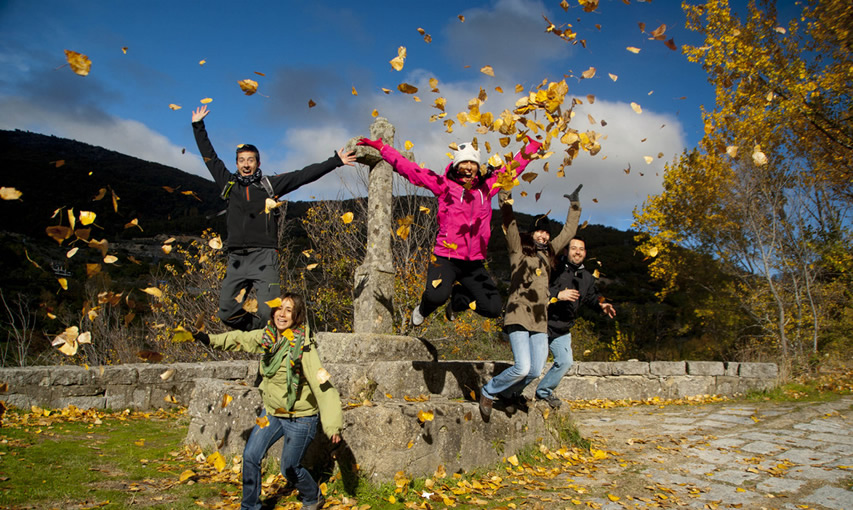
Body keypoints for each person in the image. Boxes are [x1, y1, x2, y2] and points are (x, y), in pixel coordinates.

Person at [192, 105, 357, 330]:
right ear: (237, 164)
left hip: (264, 257)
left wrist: (334, 161)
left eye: (251, 160)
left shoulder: (269, 185)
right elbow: (210, 158)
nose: (246, 164)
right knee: (226, 311)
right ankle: (259, 333)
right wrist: (198, 125)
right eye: (242, 160)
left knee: (268, 311)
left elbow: (302, 176)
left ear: (258, 163)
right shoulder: (228, 185)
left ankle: (268, 340)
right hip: (236, 259)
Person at [357, 137, 542, 325]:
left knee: (493, 308)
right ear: (456, 165)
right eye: (464, 162)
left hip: (474, 263)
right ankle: (423, 308)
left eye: (473, 162)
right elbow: (413, 171)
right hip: (446, 257)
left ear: (479, 166)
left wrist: (532, 147)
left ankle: (459, 300)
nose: (469, 167)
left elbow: (511, 170)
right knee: (437, 295)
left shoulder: (487, 188)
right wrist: (383, 148)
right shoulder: (444, 185)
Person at [195, 292, 342, 510]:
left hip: (299, 417)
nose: (282, 314)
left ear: (297, 316)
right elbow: (241, 339)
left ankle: (313, 496)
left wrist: (332, 425)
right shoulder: (268, 336)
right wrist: (209, 339)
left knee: (289, 468)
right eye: (279, 308)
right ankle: (250, 506)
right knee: (251, 456)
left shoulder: (304, 347)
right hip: (273, 411)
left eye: (289, 310)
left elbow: (324, 387)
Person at [478, 186, 582, 421]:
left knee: (535, 370)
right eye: (539, 232)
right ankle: (488, 391)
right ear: (532, 233)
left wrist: (574, 206)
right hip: (517, 315)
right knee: (522, 367)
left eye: (546, 233)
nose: (544, 236)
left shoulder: (549, 254)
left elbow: (568, 232)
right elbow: (509, 220)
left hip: (539, 319)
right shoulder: (518, 249)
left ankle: (508, 393)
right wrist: (504, 194)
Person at [535, 235, 617, 409]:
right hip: (542, 323)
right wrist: (557, 295)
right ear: (566, 251)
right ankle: (510, 394)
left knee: (565, 362)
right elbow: (538, 289)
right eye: (574, 248)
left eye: (581, 249)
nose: (577, 252)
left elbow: (591, 297)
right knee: (535, 365)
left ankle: (544, 392)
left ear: (585, 253)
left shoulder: (587, 277)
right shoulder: (553, 267)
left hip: (563, 328)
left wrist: (602, 305)